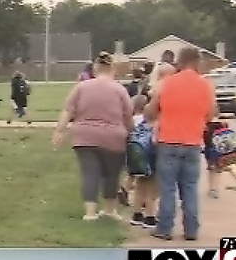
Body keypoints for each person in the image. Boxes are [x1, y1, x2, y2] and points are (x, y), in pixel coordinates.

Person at [144, 47, 217, 241]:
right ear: (196, 61)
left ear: (180, 61)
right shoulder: (206, 85)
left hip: (168, 142)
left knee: (168, 188)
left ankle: (165, 228)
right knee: (190, 188)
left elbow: (150, 112)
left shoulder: (167, 83)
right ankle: (191, 230)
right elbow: (211, 114)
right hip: (193, 143)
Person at [52, 52, 134, 221]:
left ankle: (90, 213)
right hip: (114, 137)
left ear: (95, 68)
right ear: (112, 69)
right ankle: (110, 210)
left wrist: (60, 130)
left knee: (90, 173)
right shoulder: (119, 89)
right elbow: (128, 115)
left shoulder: (81, 87)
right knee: (111, 174)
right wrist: (132, 133)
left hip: (84, 136)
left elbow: (68, 110)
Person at [127, 94, 159, 228]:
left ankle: (137, 214)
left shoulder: (140, 126)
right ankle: (150, 217)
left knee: (140, 189)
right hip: (152, 162)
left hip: (139, 163)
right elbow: (156, 143)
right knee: (152, 191)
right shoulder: (157, 126)